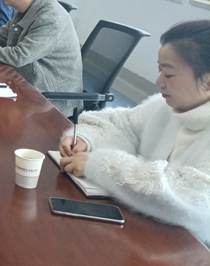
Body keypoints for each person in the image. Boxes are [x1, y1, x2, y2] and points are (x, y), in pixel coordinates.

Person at [59, 20, 210, 244]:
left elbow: (190, 200)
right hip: (142, 234)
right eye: (160, 71)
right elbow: (124, 125)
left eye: (169, 75)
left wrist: (98, 164)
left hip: (189, 253)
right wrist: (87, 139)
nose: (159, 82)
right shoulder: (164, 106)